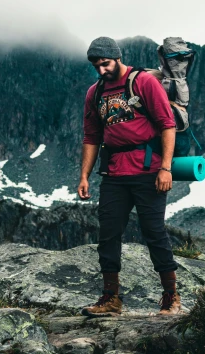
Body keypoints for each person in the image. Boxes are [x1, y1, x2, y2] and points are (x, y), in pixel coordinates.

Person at [77, 36, 181, 316]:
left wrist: (166, 168)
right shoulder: (94, 93)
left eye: (105, 64)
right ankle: (111, 298)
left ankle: (171, 297)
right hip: (113, 173)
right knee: (108, 233)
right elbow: (91, 137)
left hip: (149, 171)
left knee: (154, 231)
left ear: (117, 57)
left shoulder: (144, 82)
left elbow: (167, 124)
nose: (101, 71)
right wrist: (84, 176)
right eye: (96, 66)